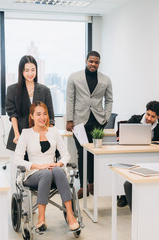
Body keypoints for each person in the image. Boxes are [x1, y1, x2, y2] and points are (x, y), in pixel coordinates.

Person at [14, 101, 79, 231]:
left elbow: (66, 155)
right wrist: (38, 166)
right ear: (32, 116)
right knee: (46, 173)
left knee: (58, 171)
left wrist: (59, 163)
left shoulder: (54, 131)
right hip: (33, 174)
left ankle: (70, 215)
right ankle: (41, 218)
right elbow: (17, 159)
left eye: (45, 114)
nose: (42, 117)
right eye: (38, 114)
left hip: (53, 171)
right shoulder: (26, 133)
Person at [66, 50, 113, 199]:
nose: (93, 64)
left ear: (99, 63)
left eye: (96, 62)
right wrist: (69, 119)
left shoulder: (106, 79)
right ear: (86, 61)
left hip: (98, 121)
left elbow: (109, 99)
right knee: (81, 154)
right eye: (91, 61)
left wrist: (106, 116)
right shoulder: (74, 77)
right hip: (79, 121)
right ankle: (83, 186)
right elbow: (70, 99)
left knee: (95, 154)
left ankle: (93, 183)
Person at [6, 55, 54, 191]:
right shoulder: (13, 90)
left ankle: (33, 206)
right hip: (18, 136)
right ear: (21, 71)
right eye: (26, 70)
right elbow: (12, 114)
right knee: (17, 174)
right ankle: (17, 204)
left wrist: (47, 138)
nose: (30, 73)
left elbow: (49, 117)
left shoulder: (44, 90)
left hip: (38, 139)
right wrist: (17, 134)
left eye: (33, 70)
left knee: (36, 173)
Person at [118, 100, 159, 208]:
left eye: (153, 116)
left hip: (150, 152)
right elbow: (123, 135)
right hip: (132, 151)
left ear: (158, 116)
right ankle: (123, 196)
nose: (149, 118)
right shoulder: (135, 119)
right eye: (148, 114)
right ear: (145, 111)